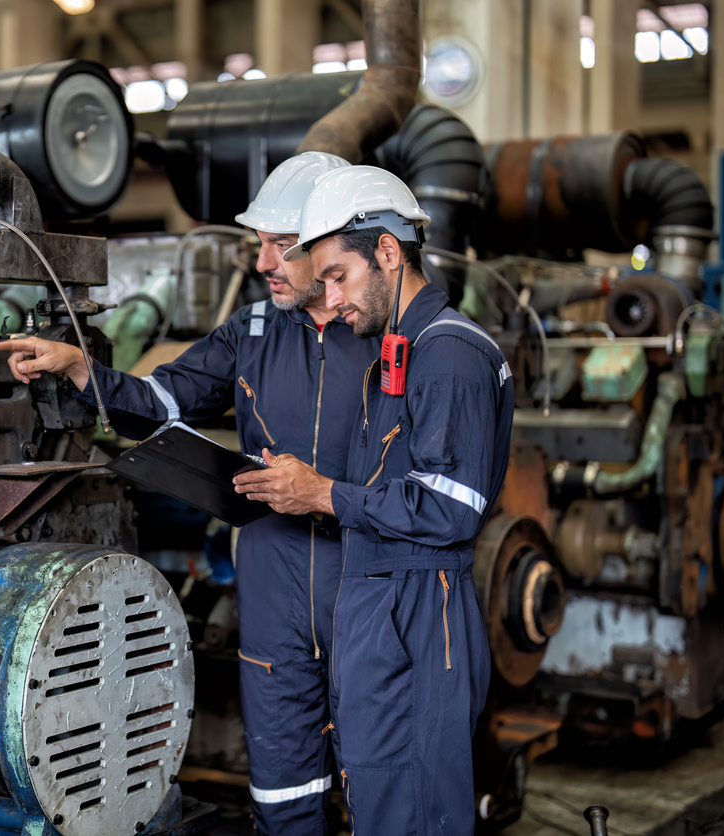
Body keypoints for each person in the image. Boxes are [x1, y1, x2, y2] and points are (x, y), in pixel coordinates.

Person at [0, 152, 377, 835]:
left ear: (332, 243)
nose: (263, 264)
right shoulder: (251, 333)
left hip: (368, 585)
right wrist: (85, 368)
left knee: (377, 777)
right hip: (273, 586)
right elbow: (164, 398)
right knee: (285, 786)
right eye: (260, 245)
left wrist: (325, 493)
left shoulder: (388, 337)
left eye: (281, 247)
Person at [233, 166, 512, 836]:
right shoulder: (398, 349)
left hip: (418, 620)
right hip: (382, 616)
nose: (328, 296)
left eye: (338, 277)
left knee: (410, 811)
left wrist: (321, 493)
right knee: (380, 803)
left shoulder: (448, 353)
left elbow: (449, 508)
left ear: (388, 252)